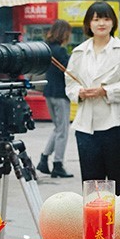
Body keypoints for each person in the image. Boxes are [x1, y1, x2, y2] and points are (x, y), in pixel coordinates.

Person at [65, 2, 120, 195]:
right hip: (86, 127)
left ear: (113, 22)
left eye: (106, 19)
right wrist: (79, 92)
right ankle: (94, 216)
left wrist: (105, 91)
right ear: (88, 23)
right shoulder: (79, 52)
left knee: (119, 183)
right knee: (91, 185)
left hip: (116, 125)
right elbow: (70, 83)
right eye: (96, 19)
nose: (101, 24)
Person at [37, 19, 75, 178]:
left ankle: (44, 159)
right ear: (64, 33)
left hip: (49, 93)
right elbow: (70, 71)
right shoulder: (60, 51)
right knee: (63, 131)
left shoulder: (47, 49)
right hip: (60, 94)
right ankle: (57, 164)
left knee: (58, 128)